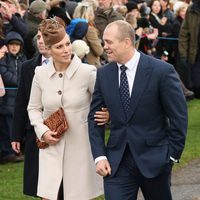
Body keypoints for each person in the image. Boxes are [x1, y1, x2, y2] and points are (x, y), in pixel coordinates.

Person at [88, 20, 188, 200]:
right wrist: (99, 156)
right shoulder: (103, 74)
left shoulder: (162, 71)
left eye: (109, 42)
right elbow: (94, 118)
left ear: (127, 42)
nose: (105, 47)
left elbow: (179, 117)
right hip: (117, 163)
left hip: (155, 160)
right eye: (104, 42)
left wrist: (171, 156)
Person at [27, 18, 105, 200]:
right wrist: (42, 131)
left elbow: (102, 103)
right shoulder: (40, 74)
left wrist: (106, 113)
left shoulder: (88, 72)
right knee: (50, 195)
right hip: (50, 148)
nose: (66, 50)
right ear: (49, 49)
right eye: (59, 47)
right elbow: (33, 108)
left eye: (67, 44)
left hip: (80, 150)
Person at [11, 29, 51, 197]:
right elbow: (21, 102)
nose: (39, 41)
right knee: (40, 182)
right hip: (34, 131)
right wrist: (15, 135)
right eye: (38, 37)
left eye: (44, 37)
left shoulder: (69, 64)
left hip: (62, 129)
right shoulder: (28, 66)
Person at [0, 31, 26, 163]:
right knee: (6, 128)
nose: (14, 47)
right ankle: (7, 152)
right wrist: (19, 81)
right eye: (12, 44)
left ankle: (16, 151)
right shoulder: (4, 58)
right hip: (6, 101)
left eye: (17, 44)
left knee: (16, 127)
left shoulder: (22, 59)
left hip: (18, 99)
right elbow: (4, 73)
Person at [179, 0, 200, 98]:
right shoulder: (191, 9)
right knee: (196, 80)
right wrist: (183, 53)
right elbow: (184, 32)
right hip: (195, 51)